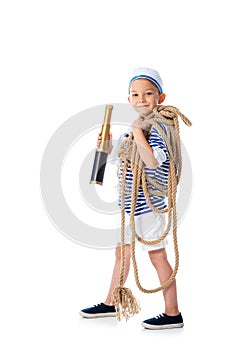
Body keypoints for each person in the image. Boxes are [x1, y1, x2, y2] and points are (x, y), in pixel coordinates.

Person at [80, 67, 184, 330]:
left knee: (157, 257)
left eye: (148, 93)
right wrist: (107, 146)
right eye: (135, 94)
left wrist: (138, 132)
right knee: (122, 253)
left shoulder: (159, 127)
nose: (141, 99)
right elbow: (125, 156)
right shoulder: (138, 127)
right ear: (129, 99)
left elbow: (150, 161)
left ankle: (173, 314)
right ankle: (110, 301)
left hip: (148, 208)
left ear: (160, 97)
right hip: (130, 208)